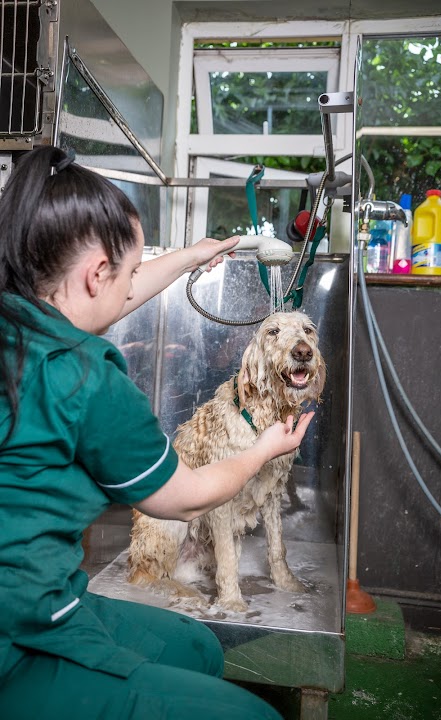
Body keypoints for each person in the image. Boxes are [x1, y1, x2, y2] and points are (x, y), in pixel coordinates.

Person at [0, 146, 314, 720]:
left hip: (34, 596)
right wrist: (268, 447)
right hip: (19, 635)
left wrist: (194, 255)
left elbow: (100, 297)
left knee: (196, 646)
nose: (131, 287)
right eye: (129, 270)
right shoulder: (87, 377)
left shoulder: (18, 317)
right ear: (97, 274)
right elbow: (182, 498)